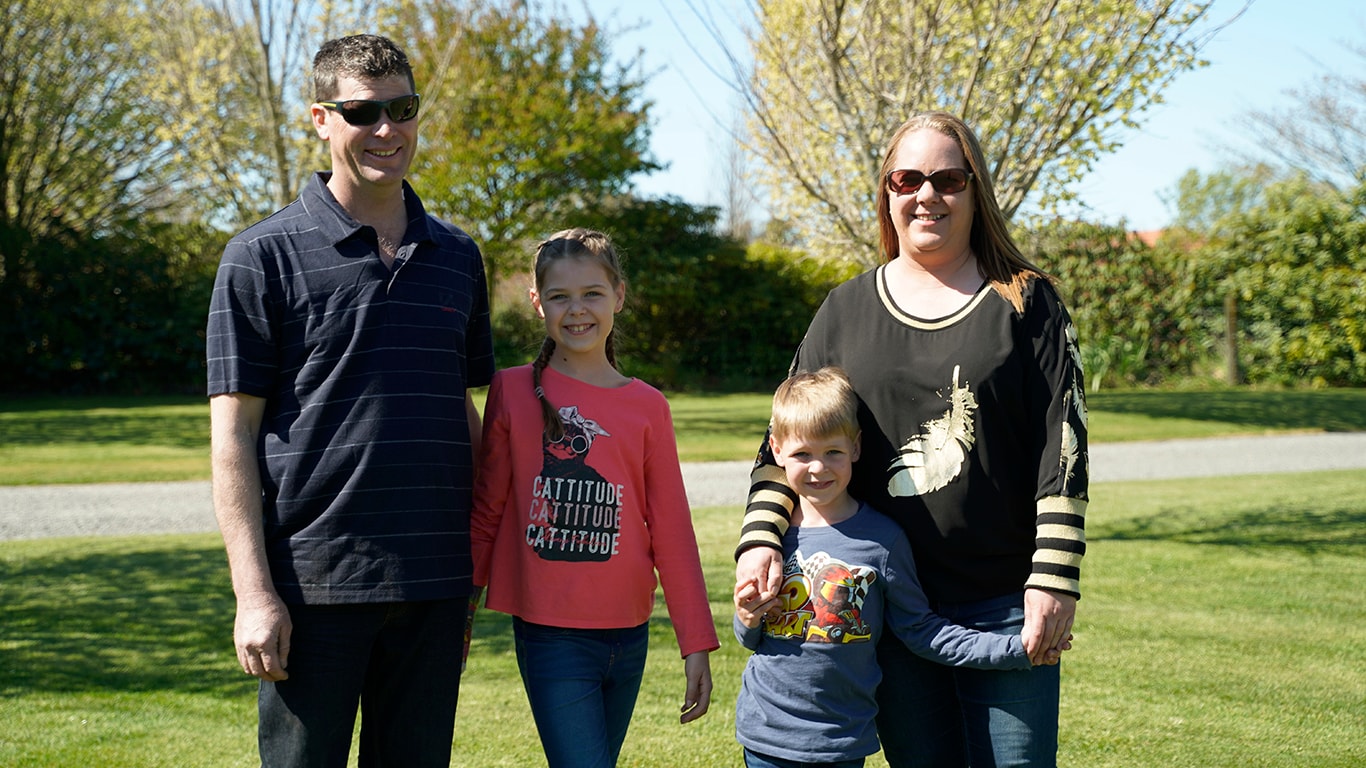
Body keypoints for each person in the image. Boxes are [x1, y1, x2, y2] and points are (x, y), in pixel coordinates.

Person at [736, 111, 1089, 767]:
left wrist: (1054, 581)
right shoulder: (845, 310)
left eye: (948, 179)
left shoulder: (1027, 303)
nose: (927, 195)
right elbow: (779, 446)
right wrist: (758, 543)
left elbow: (1062, 454)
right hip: (885, 611)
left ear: (975, 189)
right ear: (888, 193)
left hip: (1005, 604)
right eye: (908, 179)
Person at [205, 34, 494, 767]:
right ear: (321, 118)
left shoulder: (457, 256)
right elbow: (233, 439)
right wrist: (253, 595)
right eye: (364, 112)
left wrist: (475, 572)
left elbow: (462, 412)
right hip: (312, 588)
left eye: (403, 109)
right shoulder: (259, 256)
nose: (387, 130)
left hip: (433, 583)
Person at [469, 228, 718, 768]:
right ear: (537, 303)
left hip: (628, 639)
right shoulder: (511, 392)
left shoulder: (648, 407)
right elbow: (487, 511)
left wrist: (694, 640)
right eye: (559, 296)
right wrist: (459, 612)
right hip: (550, 634)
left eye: (592, 294)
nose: (576, 310)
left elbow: (671, 530)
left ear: (619, 296)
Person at [734, 367, 1054, 768]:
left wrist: (1013, 649)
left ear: (855, 447)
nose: (818, 468)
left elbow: (921, 631)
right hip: (764, 738)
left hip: (840, 742)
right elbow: (750, 637)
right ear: (776, 451)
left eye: (832, 451)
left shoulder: (882, 540)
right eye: (802, 454)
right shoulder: (771, 540)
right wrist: (746, 617)